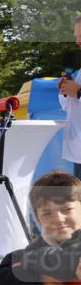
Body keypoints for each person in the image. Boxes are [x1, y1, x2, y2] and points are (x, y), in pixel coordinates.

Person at [0, 170, 81, 285]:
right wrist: (39, 277)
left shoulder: (32, 253)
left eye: (67, 209)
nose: (58, 219)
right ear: (38, 219)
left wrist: (27, 262)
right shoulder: (39, 246)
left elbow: (68, 260)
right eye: (47, 213)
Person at [57, 15, 81, 179]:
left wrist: (78, 92)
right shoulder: (79, 73)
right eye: (76, 36)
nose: (78, 42)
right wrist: (65, 91)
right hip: (78, 155)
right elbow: (68, 107)